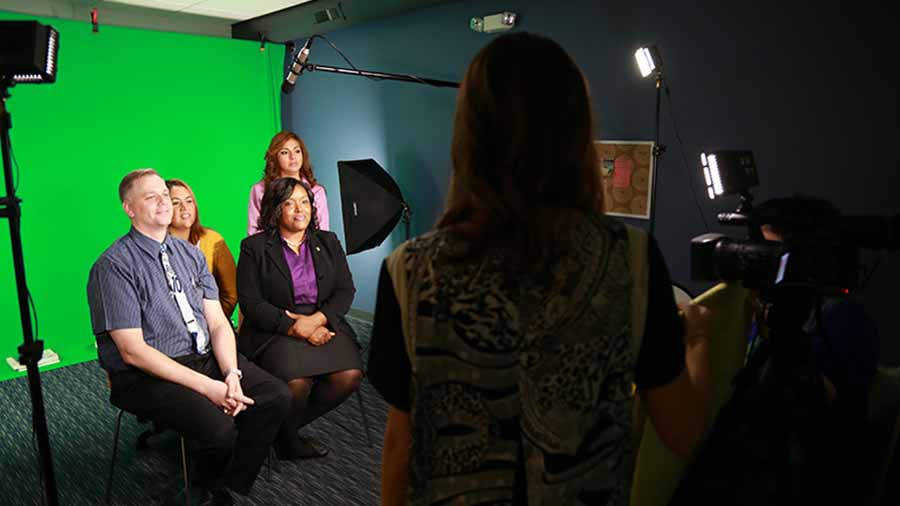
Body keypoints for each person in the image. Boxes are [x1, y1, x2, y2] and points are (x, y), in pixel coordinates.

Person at [367, 32, 711, 506]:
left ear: (469, 137)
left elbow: (398, 447)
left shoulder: (407, 272)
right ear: (576, 133)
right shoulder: (631, 259)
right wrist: (696, 343)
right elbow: (684, 431)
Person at [87, 169, 290, 506]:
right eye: (151, 197)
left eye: (164, 195)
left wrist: (231, 375)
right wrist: (209, 387)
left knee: (275, 395)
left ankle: (217, 482)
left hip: (203, 355)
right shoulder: (114, 265)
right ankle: (207, 488)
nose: (163, 202)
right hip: (145, 373)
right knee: (219, 429)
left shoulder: (191, 254)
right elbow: (133, 352)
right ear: (129, 208)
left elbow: (218, 323)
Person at [237, 177, 362, 460]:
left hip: (322, 321)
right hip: (275, 327)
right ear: (275, 209)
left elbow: (345, 290)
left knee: (348, 376)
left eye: (304, 201)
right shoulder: (254, 247)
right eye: (289, 203)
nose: (299, 209)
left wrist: (317, 320)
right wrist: (297, 328)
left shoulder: (327, 241)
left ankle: (279, 431)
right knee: (296, 384)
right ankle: (289, 441)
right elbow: (251, 302)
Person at [166, 178, 238, 320]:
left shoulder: (213, 240)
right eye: (175, 203)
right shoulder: (155, 247)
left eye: (189, 201)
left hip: (211, 325)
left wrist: (213, 325)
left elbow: (231, 293)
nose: (184, 207)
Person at [248, 131, 329, 235]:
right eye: (285, 152)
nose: (293, 157)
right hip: (269, 249)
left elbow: (322, 233)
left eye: (297, 151)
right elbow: (253, 232)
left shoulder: (316, 191)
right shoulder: (260, 190)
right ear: (275, 156)